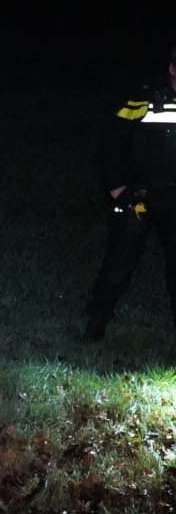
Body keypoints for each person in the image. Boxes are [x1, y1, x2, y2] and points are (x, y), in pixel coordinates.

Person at [84, 44, 176, 340]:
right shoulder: (142, 99)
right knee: (118, 263)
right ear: (172, 68)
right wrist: (116, 187)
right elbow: (111, 143)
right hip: (139, 197)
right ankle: (94, 327)